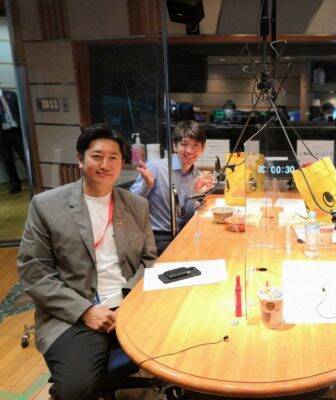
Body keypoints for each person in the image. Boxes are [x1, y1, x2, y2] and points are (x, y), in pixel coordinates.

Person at [18, 123, 157, 400]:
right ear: (80, 159)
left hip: (130, 305)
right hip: (74, 314)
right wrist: (85, 311)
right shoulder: (46, 206)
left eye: (113, 157)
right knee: (75, 391)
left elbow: (149, 260)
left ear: (122, 164)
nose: (105, 164)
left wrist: (130, 302)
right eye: (97, 156)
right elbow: (34, 271)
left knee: (189, 347)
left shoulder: (136, 205)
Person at [130, 120, 213, 255]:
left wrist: (197, 193)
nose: (189, 150)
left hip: (182, 233)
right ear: (174, 146)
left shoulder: (197, 176)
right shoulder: (156, 167)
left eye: (196, 145)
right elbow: (130, 204)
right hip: (156, 236)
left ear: (203, 148)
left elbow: (187, 217)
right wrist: (147, 186)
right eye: (184, 144)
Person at [0, 87, 26, 194]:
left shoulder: (11, 95)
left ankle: (32, 180)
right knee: (8, 161)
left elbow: (20, 111)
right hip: (2, 134)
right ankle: (15, 184)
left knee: (24, 156)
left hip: (16, 130)